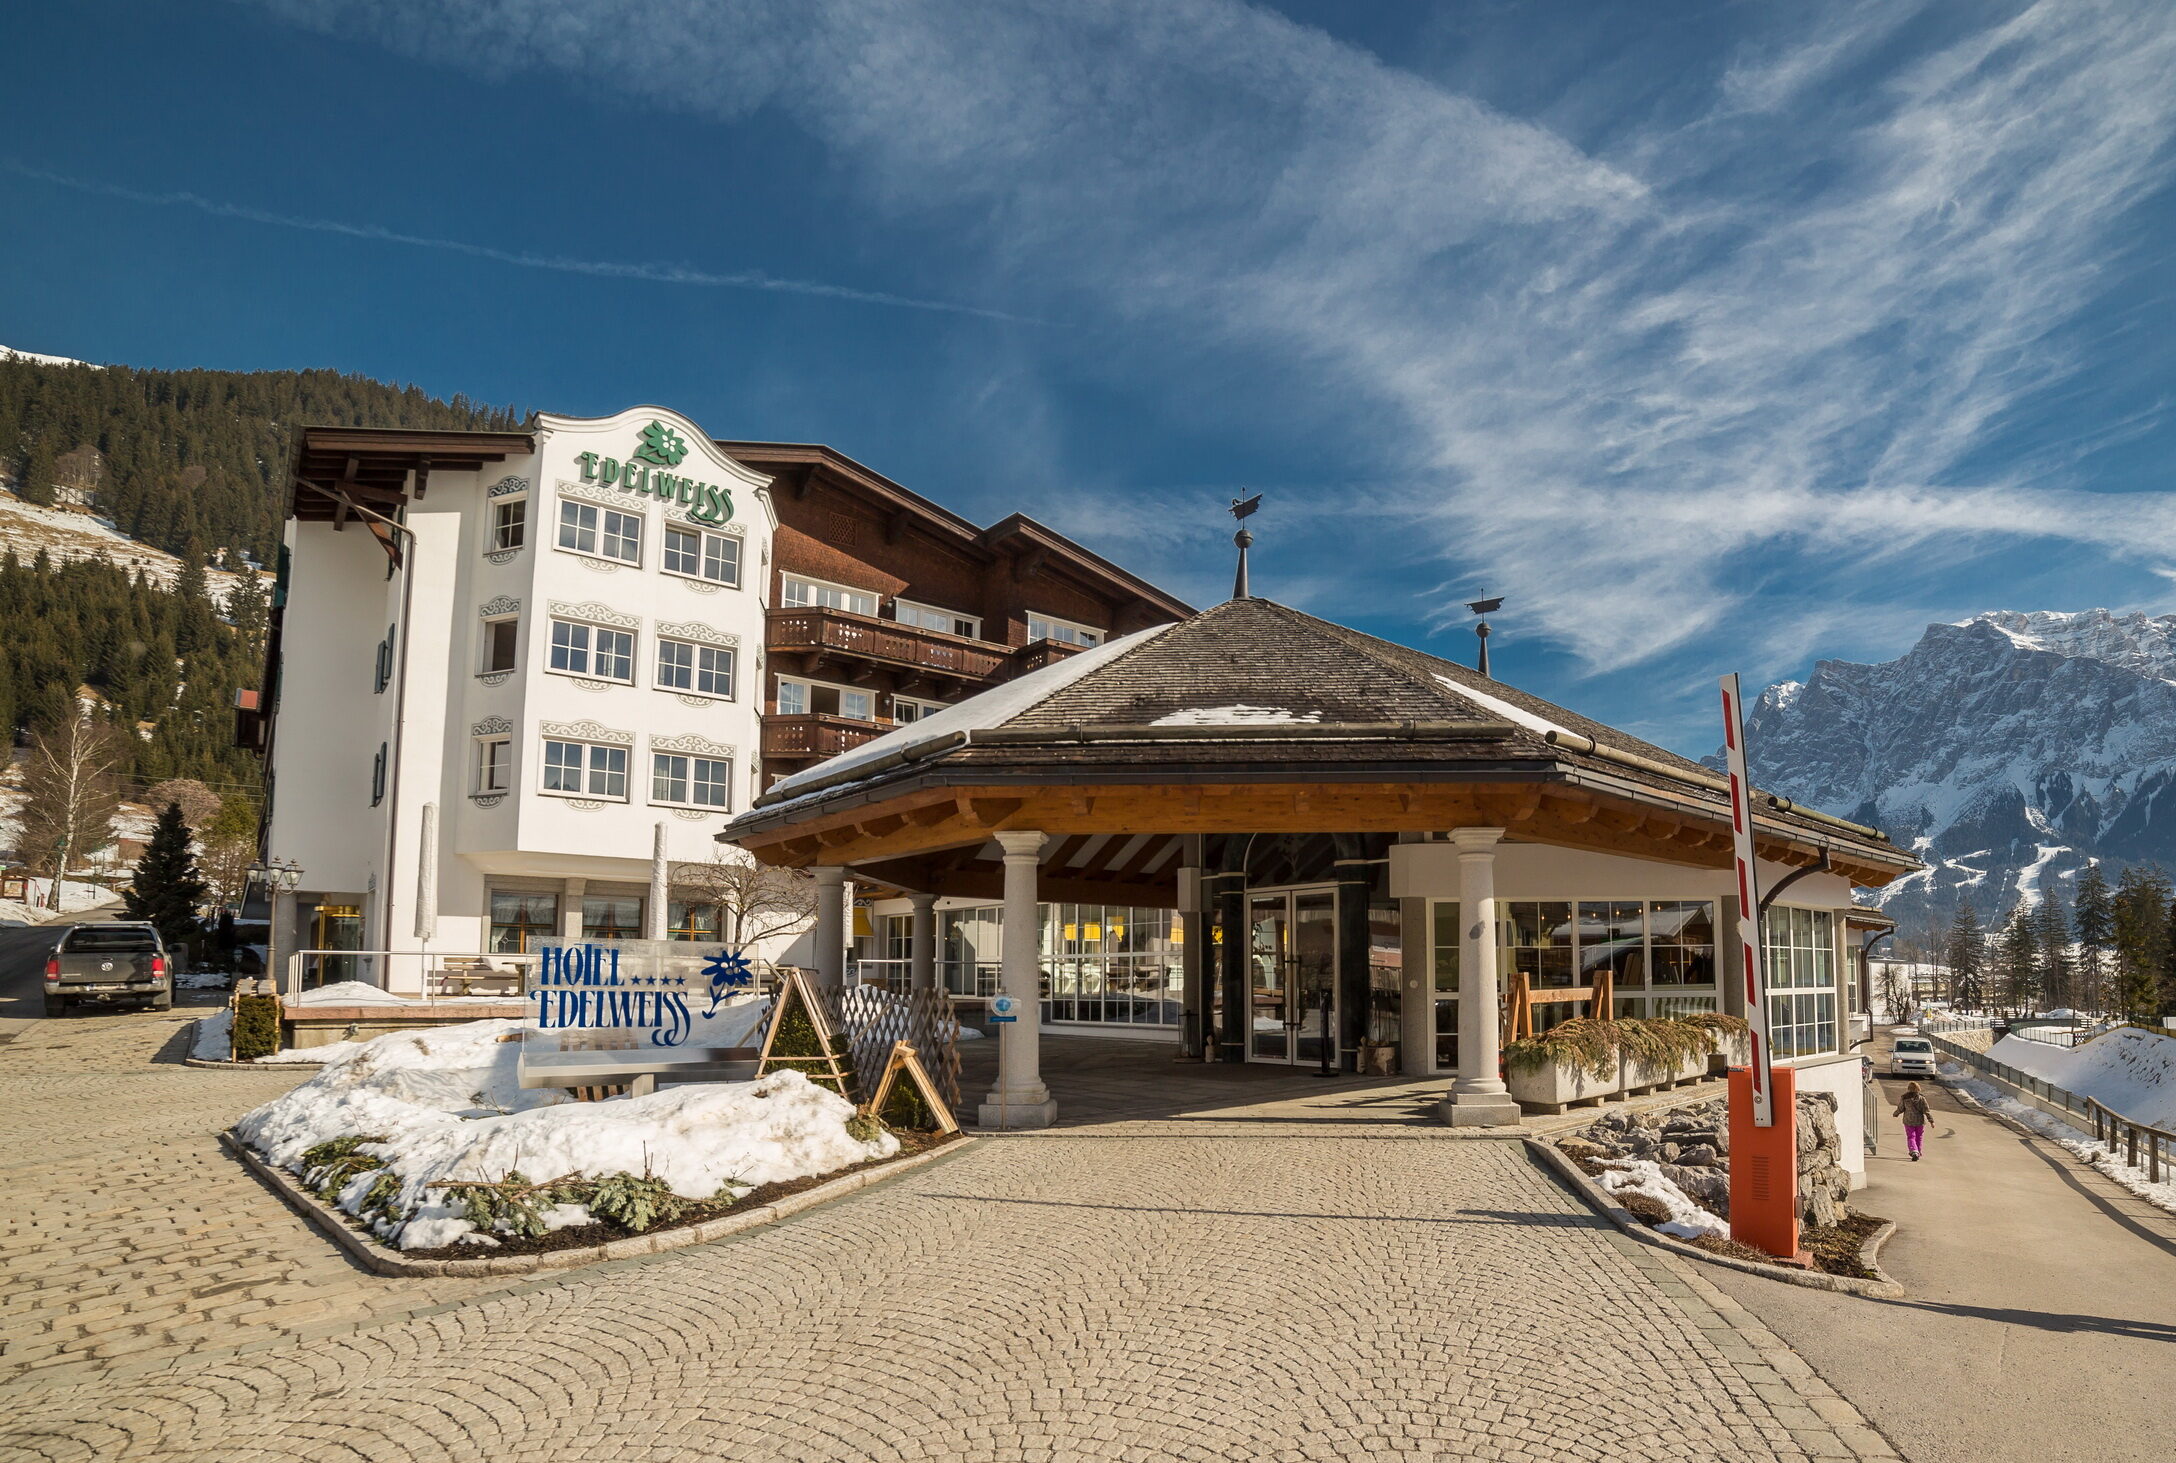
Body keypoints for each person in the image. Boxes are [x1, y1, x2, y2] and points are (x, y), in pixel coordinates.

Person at [1893, 1082, 1932, 1161]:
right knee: (1919, 1137)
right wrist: (1931, 1120)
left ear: (1909, 1088)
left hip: (1908, 1121)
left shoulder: (1904, 1098)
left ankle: (1914, 1151)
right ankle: (1918, 1151)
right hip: (1920, 1121)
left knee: (1911, 1137)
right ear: (1918, 1089)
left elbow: (1901, 1108)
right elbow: (1926, 1110)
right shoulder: (1921, 1098)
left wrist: (1896, 1113)